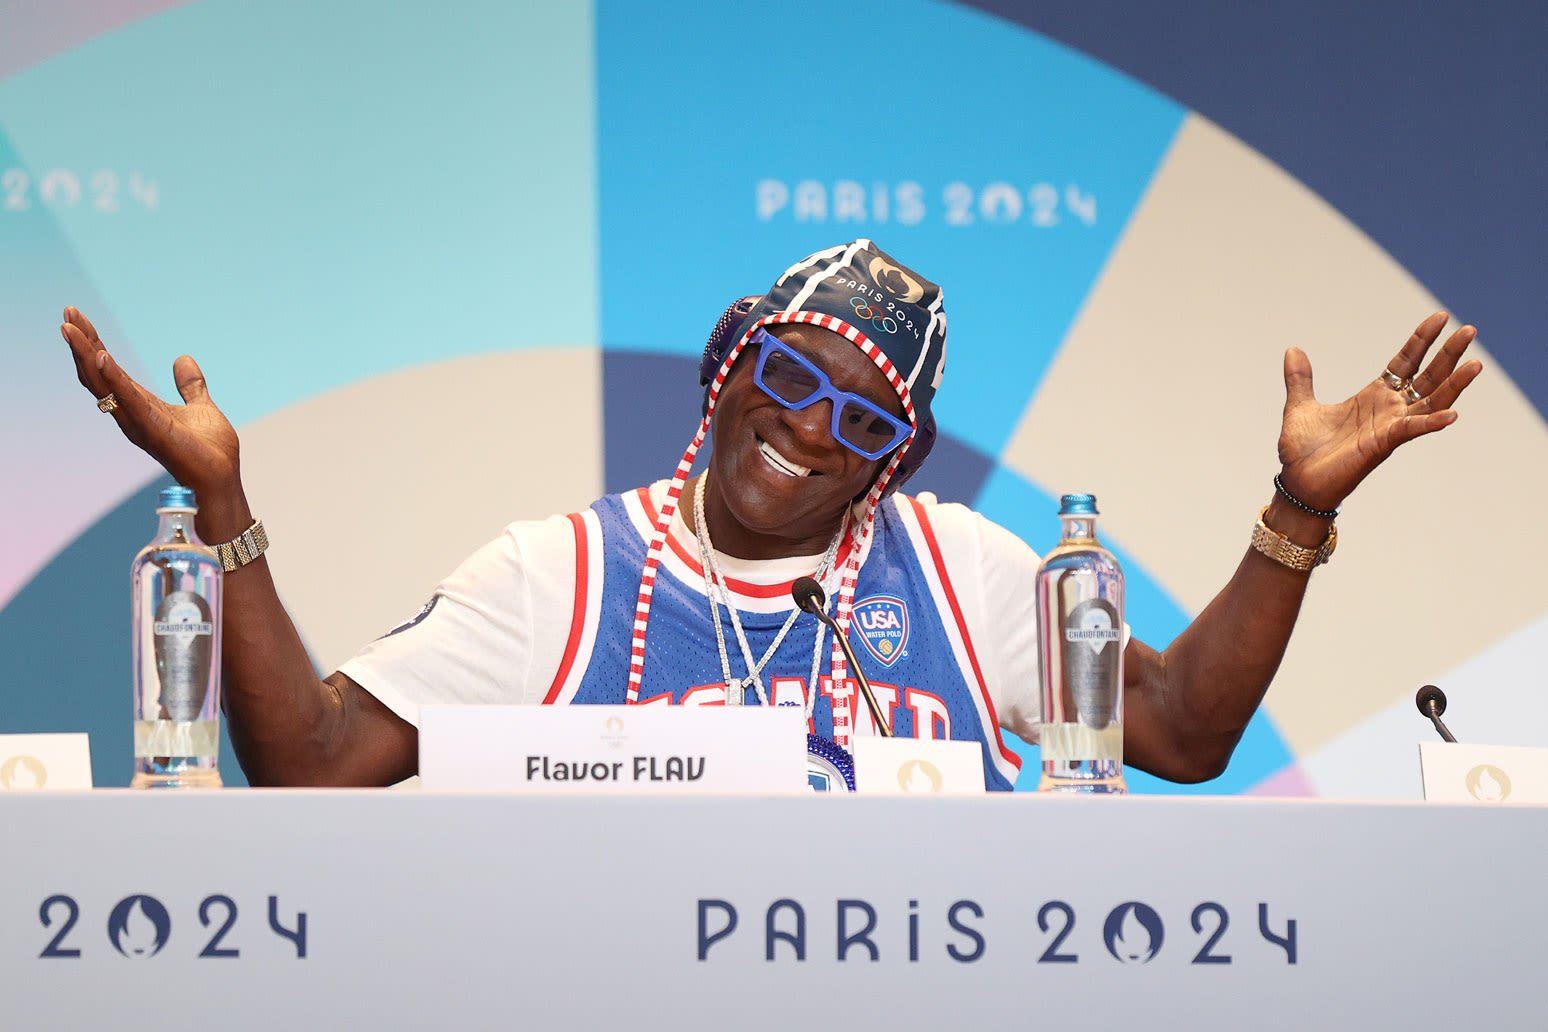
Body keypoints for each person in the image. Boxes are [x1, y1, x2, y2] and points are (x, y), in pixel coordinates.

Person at [61, 239, 1480, 788]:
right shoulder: (560, 573)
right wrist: (222, 500)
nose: (809, 428)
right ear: (729, 368)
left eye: (863, 422)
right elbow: (307, 762)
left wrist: (1291, 515)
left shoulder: (965, 570)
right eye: (791, 377)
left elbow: (1177, 734)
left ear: (892, 466)